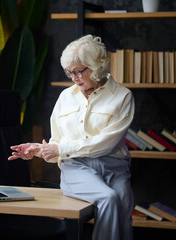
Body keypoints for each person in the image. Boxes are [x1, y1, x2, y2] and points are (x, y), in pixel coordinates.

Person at [8, 34, 135, 240]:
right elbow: (57, 143)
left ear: (97, 66)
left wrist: (59, 149)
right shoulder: (65, 97)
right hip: (76, 167)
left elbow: (106, 144)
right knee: (109, 198)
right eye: (69, 72)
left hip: (115, 168)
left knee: (124, 220)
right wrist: (39, 150)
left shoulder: (122, 97)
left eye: (78, 71)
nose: (74, 78)